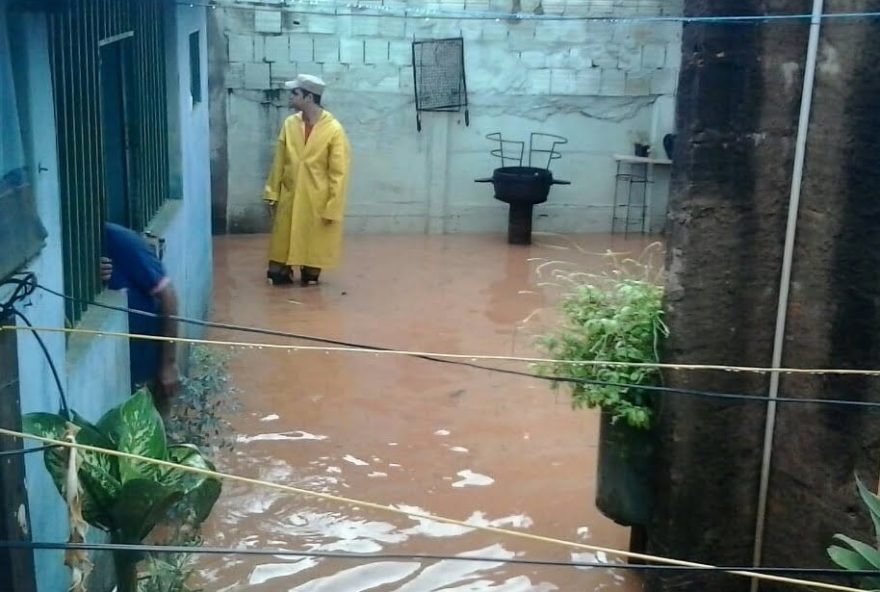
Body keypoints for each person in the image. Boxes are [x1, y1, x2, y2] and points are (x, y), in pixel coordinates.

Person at [264, 74, 352, 286]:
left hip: (316, 200)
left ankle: (309, 271)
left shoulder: (333, 130)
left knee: (311, 271)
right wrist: (272, 192)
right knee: (276, 273)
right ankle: (283, 270)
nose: (290, 97)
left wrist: (333, 206)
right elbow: (279, 160)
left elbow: (338, 172)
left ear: (309, 97)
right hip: (290, 196)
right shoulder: (289, 124)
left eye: (295, 93)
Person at [102, 222, 180, 415]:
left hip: (147, 364)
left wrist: (168, 364)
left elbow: (168, 296)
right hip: (118, 369)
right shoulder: (71, 248)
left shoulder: (120, 240)